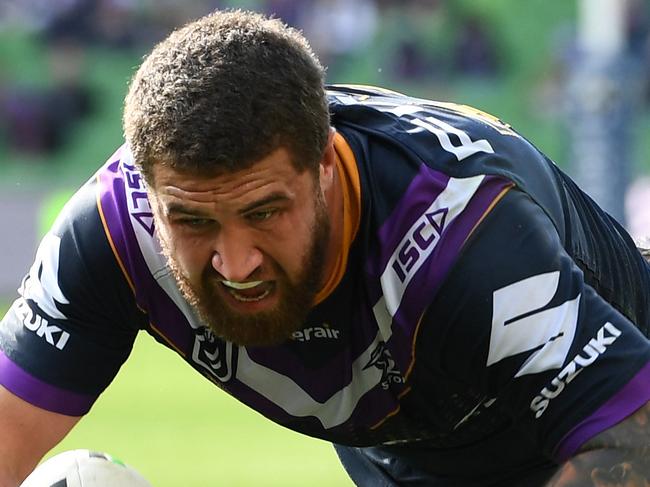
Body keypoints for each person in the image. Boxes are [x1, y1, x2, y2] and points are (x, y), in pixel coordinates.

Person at [1, 10, 650, 487]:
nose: (236, 262)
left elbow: (630, 435)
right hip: (409, 459)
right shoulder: (114, 232)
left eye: (264, 212)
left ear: (328, 170)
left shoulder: (461, 235)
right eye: (194, 222)